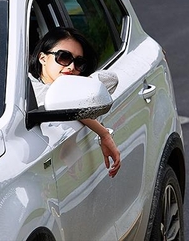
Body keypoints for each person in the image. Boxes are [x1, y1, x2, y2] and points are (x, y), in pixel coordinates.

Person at [29, 27, 121, 178]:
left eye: (79, 62)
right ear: (42, 58)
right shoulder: (29, 87)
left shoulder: (73, 89)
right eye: (64, 57)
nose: (71, 67)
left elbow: (111, 79)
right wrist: (103, 134)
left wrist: (80, 83)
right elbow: (62, 100)